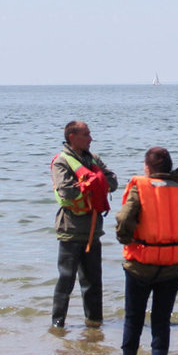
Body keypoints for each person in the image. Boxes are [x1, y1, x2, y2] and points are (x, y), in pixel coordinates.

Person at [115, 147, 178, 355]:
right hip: (173, 263)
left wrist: (124, 238)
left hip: (141, 262)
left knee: (133, 318)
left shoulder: (141, 185)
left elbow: (125, 218)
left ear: (147, 167)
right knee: (161, 320)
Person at [50, 121, 118, 328]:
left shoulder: (93, 159)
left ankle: (94, 327)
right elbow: (66, 190)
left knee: (93, 284)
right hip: (70, 231)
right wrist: (93, 183)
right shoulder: (61, 162)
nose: (90, 138)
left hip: (93, 231)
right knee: (66, 281)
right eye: (86, 134)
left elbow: (113, 182)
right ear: (72, 137)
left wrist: (96, 182)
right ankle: (57, 325)